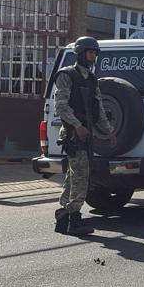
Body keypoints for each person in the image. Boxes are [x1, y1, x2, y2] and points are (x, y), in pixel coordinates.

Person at [52, 36, 115, 236]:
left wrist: (108, 131)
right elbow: (61, 106)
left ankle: (63, 218)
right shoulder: (67, 75)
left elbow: (99, 108)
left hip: (86, 133)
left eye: (95, 53)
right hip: (73, 133)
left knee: (73, 177)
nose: (93, 56)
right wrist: (77, 125)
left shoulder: (92, 79)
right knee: (81, 176)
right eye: (90, 52)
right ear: (80, 53)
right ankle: (75, 220)